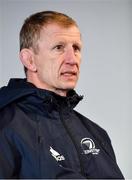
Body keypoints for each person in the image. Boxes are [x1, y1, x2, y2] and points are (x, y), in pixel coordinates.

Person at [0, 10, 124, 179]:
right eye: (59, 48)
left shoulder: (97, 134)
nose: (72, 59)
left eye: (76, 48)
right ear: (29, 60)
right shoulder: (6, 126)